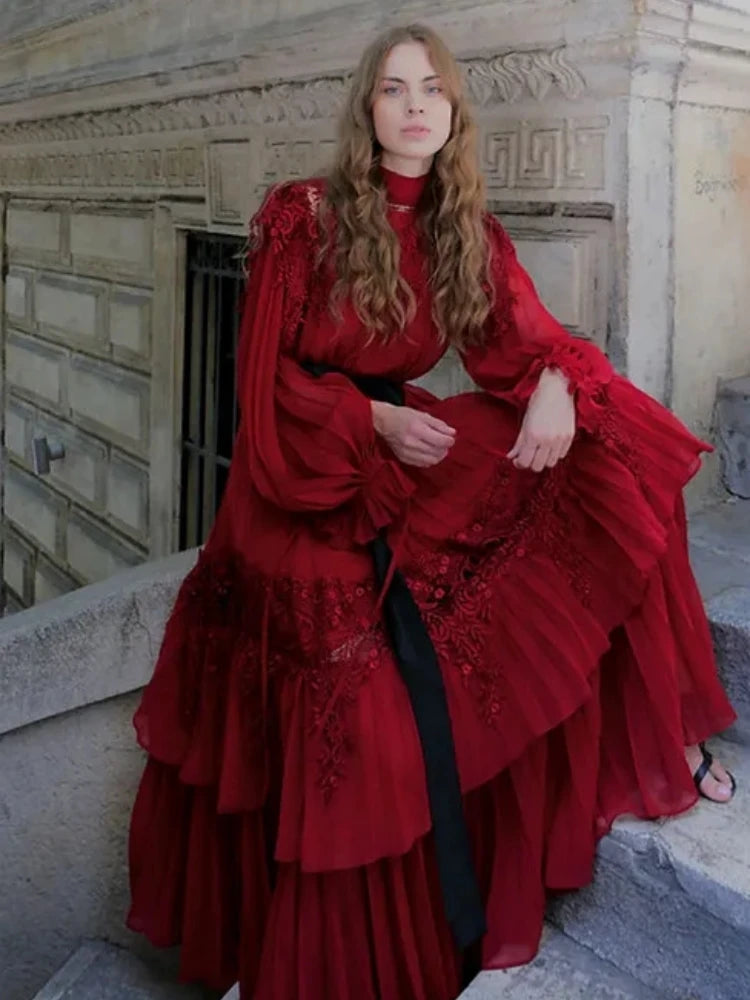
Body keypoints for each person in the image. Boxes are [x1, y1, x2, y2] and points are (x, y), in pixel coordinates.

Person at [126, 22, 737, 1000]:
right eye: (394, 88)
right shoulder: (304, 214)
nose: (415, 104)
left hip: (394, 452)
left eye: (433, 90)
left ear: (452, 113)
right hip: (298, 473)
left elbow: (526, 337)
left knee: (609, 461)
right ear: (367, 109)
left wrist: (554, 386)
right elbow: (262, 386)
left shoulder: (463, 230)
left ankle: (657, 725)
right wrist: (366, 417)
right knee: (362, 707)